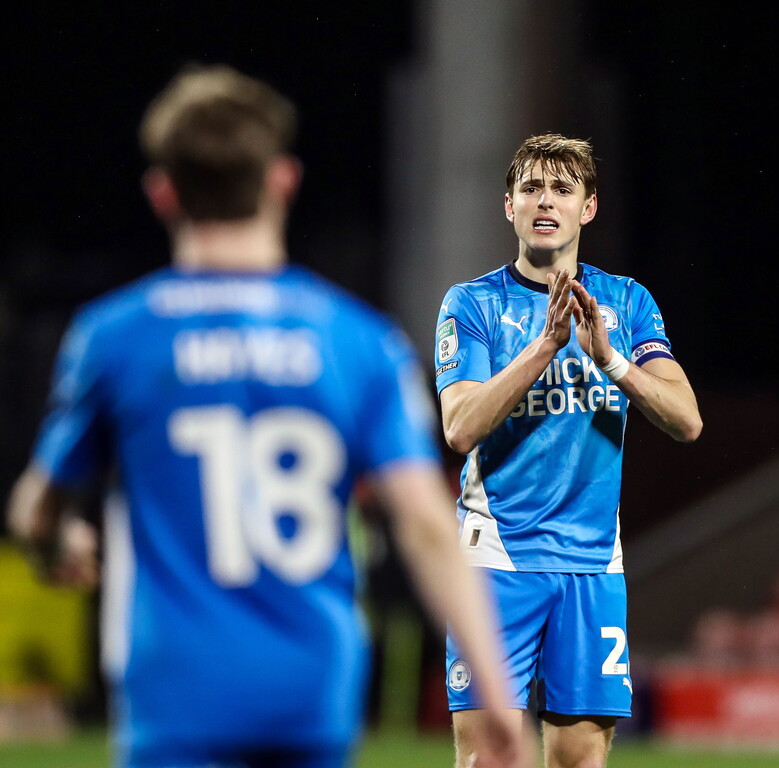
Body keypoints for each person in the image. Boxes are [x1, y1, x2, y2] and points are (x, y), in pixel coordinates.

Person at [6, 65, 530, 768]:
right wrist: (495, 693)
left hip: (176, 696)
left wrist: (56, 542)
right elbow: (426, 525)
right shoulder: (358, 341)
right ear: (283, 180)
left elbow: (37, 507)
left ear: (162, 193)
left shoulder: (114, 338)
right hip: (311, 694)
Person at [435, 134, 702, 768]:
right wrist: (545, 348)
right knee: (489, 759)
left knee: (581, 759)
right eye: (531, 188)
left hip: (593, 563)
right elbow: (460, 428)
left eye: (562, 189)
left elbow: (687, 420)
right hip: (496, 559)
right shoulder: (472, 303)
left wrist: (610, 359)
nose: (545, 201)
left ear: (588, 207)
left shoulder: (627, 303)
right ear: (510, 206)